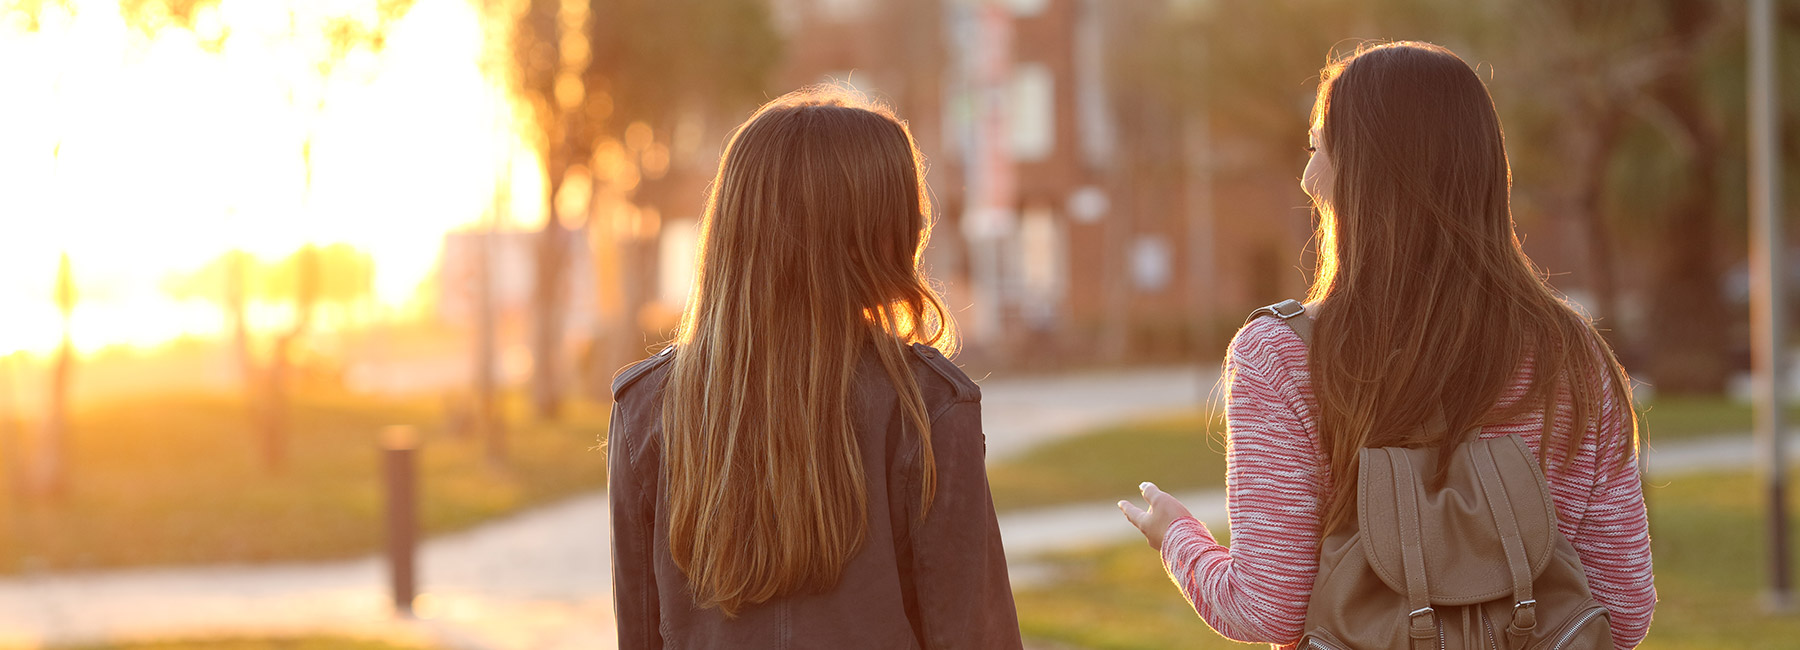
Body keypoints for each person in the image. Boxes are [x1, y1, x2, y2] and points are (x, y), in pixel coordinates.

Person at [1119, 42, 1656, 648]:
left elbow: (1267, 609)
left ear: (1357, 174)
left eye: (1317, 148)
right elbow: (1623, 609)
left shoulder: (1281, 357)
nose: (1305, 177)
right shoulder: (1573, 357)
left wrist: (1177, 539)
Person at [606, 87, 1022, 649]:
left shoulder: (647, 407)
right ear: (870, 235)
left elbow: (639, 634)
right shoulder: (927, 405)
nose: (919, 227)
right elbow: (975, 635)